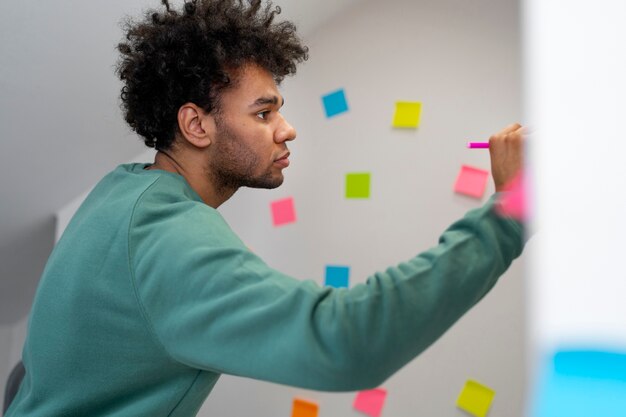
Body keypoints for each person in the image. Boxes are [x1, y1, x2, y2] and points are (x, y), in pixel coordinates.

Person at [5, 0, 525, 416]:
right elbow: (346, 342)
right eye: (264, 111)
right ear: (197, 125)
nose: (287, 127)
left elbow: (27, 376)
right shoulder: (167, 234)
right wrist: (511, 207)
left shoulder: (117, 193)